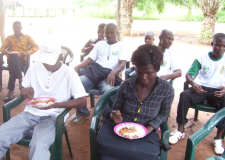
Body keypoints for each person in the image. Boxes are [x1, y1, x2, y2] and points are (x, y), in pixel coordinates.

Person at [0, 39, 87, 160]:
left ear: (60, 56)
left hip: (53, 117)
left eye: (50, 60)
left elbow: (83, 101)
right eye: (45, 60)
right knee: (1, 135)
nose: (47, 64)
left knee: (39, 145)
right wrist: (25, 89)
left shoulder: (69, 73)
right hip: (29, 113)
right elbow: (24, 86)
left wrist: (55, 105)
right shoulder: (35, 67)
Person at [169, 33, 225, 155]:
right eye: (218, 45)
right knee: (185, 95)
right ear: (212, 44)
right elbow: (189, 74)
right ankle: (180, 130)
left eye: (223, 46)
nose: (220, 49)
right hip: (202, 89)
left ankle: (219, 138)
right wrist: (193, 84)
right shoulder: (202, 58)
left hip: (218, 91)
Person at [74, 23, 127, 124]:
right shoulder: (99, 44)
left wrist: (113, 72)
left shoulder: (121, 46)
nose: (109, 35)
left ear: (117, 32)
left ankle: (107, 117)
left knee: (108, 91)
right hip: (94, 74)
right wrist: (78, 66)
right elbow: (89, 59)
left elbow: (122, 64)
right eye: (107, 33)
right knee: (77, 83)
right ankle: (83, 112)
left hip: (108, 76)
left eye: (112, 33)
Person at [1, 21, 39, 102]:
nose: (16, 30)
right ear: (13, 28)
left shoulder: (27, 37)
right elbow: (2, 48)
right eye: (15, 28)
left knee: (12, 66)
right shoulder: (9, 38)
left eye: (18, 28)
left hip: (23, 60)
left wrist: (27, 53)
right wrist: (7, 52)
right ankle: (20, 79)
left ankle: (11, 92)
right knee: (14, 57)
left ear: (21, 28)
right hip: (12, 59)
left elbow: (36, 46)